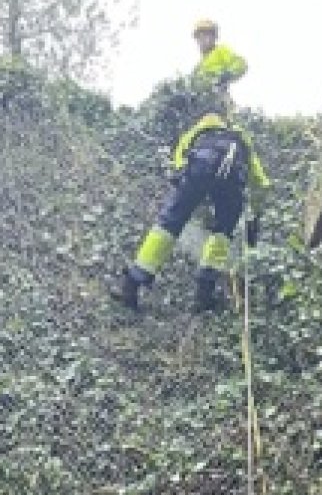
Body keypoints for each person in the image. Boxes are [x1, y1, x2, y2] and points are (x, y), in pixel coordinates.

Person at [110, 95, 270, 313]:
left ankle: (131, 285)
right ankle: (203, 296)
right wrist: (255, 217)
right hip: (233, 179)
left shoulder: (195, 133)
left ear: (203, 119)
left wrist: (192, 196)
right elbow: (260, 183)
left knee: (168, 224)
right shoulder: (239, 137)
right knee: (222, 234)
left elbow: (179, 166)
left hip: (198, 170)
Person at [192, 19, 247, 95]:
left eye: (205, 36)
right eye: (199, 37)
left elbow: (240, 64)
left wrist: (226, 75)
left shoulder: (220, 51)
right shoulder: (199, 66)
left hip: (219, 99)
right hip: (204, 102)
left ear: (214, 37)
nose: (202, 40)